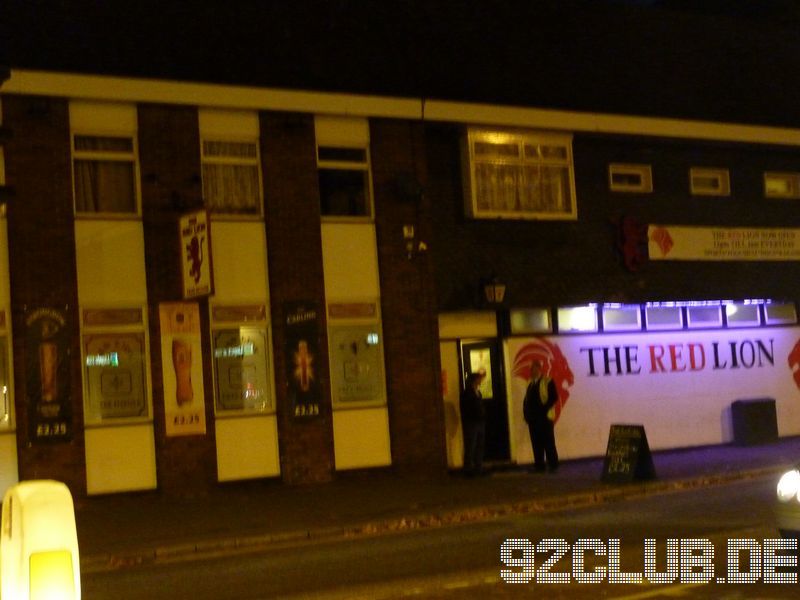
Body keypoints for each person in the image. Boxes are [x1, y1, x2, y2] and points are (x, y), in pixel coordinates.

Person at [523, 358, 559, 473]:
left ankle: (553, 464)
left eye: (533, 369)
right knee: (536, 443)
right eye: (530, 369)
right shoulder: (530, 383)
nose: (531, 371)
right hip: (533, 419)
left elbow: (554, 397)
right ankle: (539, 465)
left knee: (548, 441)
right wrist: (527, 414)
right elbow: (527, 400)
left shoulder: (547, 381)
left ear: (539, 369)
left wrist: (543, 410)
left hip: (545, 417)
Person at [460, 371, 486, 477]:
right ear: (474, 380)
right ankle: (468, 470)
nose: (480, 381)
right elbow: (466, 408)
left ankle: (478, 468)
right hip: (471, 423)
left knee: (479, 446)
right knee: (471, 446)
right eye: (479, 379)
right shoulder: (467, 393)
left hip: (480, 422)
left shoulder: (478, 392)